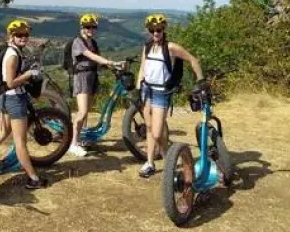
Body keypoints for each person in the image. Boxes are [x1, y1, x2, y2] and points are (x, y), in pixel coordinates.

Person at [137, 13, 204, 178]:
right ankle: (150, 163)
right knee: (150, 128)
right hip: (147, 90)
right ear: (148, 30)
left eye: (159, 30)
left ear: (163, 29)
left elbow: (193, 59)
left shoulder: (170, 47)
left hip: (161, 92)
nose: (155, 33)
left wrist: (201, 81)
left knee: (157, 133)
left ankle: (168, 160)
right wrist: (138, 87)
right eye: (152, 30)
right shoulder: (147, 46)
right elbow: (142, 68)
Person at [0, 19, 48, 189]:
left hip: (5, 98)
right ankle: (33, 179)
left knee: (2, 132)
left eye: (26, 34)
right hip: (14, 99)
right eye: (19, 35)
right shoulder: (13, 55)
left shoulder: (12, 51)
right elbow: (11, 83)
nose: (23, 37)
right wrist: (29, 74)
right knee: (20, 142)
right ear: (12, 36)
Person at [68, 13, 124, 157]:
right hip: (82, 77)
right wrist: (109, 62)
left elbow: (97, 61)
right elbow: (90, 56)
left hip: (92, 77)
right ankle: (73, 143)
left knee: (86, 111)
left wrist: (114, 66)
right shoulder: (78, 42)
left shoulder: (93, 42)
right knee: (82, 112)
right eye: (88, 27)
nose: (91, 29)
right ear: (82, 27)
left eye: (93, 27)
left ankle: (81, 138)